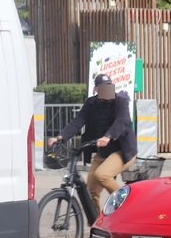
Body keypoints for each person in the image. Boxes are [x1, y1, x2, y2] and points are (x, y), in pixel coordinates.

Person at [48, 74, 137, 220]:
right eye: (103, 87)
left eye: (109, 86)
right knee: (91, 192)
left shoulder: (121, 102)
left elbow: (122, 121)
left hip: (121, 150)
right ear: (96, 89)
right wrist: (60, 137)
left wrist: (108, 136)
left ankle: (128, 205)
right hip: (103, 152)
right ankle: (96, 228)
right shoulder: (91, 103)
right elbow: (77, 121)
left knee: (102, 175)